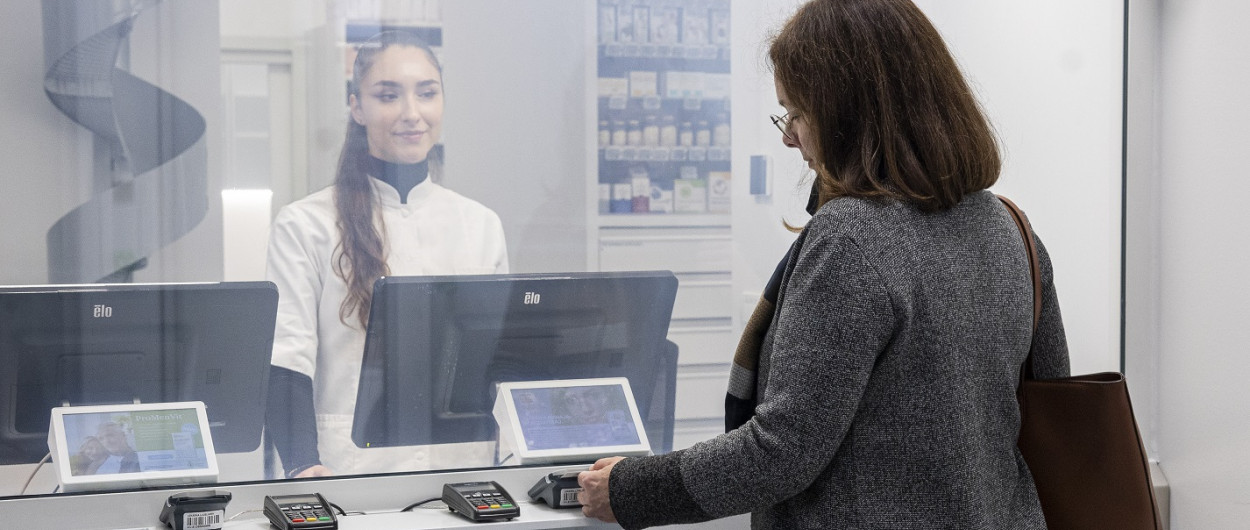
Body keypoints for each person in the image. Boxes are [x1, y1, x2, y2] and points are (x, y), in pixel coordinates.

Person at [577, 0, 1071, 528]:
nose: (789, 137)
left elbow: (781, 451)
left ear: (849, 115)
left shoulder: (852, 240)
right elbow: (1051, 408)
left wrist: (631, 488)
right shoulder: (1012, 230)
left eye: (797, 114)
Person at [265, 30, 508, 479]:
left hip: (463, 469)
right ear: (357, 107)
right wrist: (302, 465)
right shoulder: (305, 224)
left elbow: (499, 364)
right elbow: (287, 361)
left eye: (427, 93)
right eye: (388, 95)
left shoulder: (481, 225)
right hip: (349, 472)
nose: (411, 113)